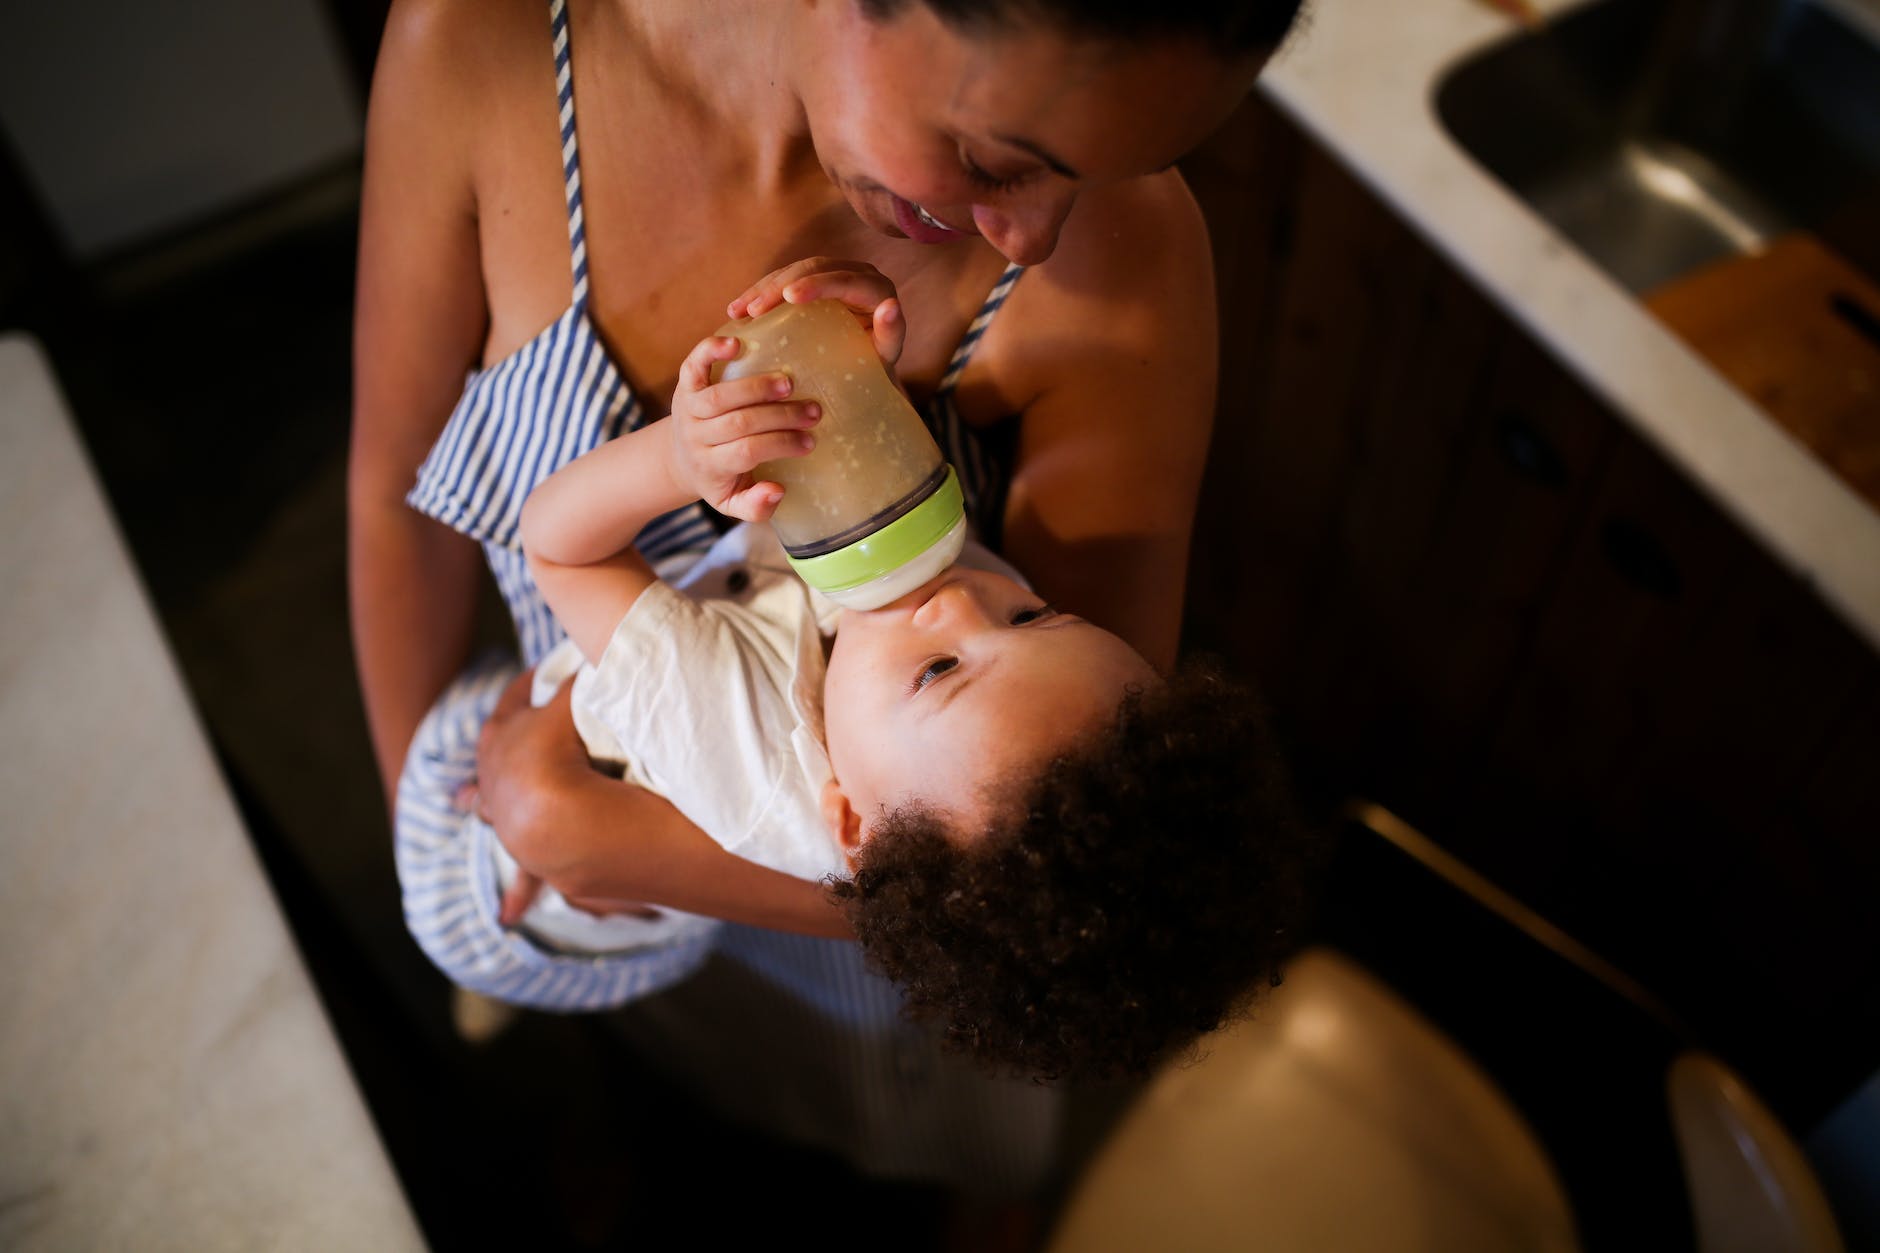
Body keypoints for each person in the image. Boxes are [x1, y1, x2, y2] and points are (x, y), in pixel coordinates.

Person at [351, 0, 1307, 1201]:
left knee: (918, 1154)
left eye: (1108, 169)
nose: (1028, 234)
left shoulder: (1115, 258)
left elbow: (1067, 877)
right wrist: (461, 854)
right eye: (998, 155)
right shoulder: (481, 45)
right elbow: (397, 499)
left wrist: (609, 838)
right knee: (681, 1104)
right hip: (589, 889)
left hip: (911, 958)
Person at [395, 282, 1309, 1083]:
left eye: (942, 669)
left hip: (481, 865)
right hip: (609, 812)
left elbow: (556, 542)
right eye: (1035, 617)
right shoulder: (941, 753)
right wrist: (845, 358)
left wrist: (679, 459)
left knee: (491, 932)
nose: (956, 604)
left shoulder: (738, 721)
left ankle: (490, 986)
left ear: (849, 822)